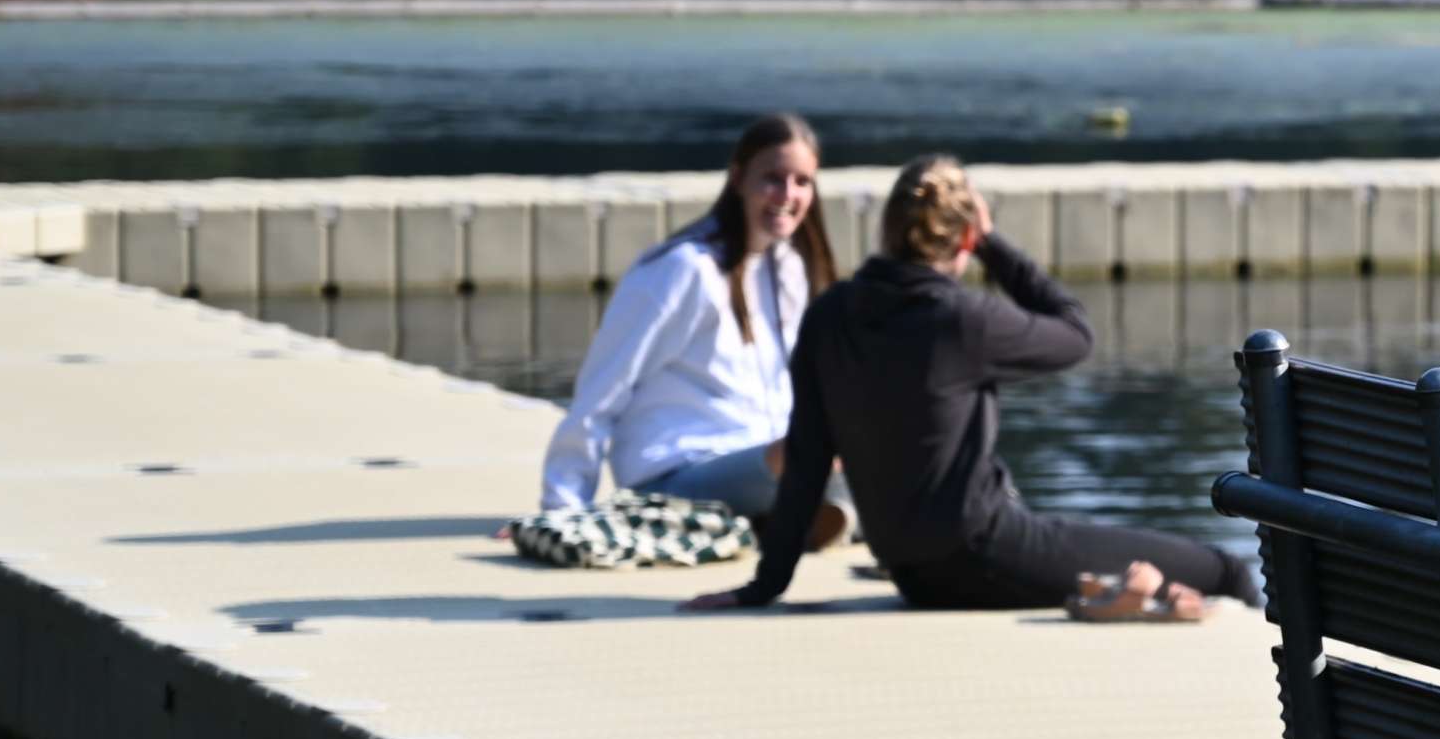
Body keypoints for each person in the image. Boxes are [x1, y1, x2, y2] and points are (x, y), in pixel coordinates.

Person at [698, 154, 1260, 619]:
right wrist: (994, 246)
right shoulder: (964, 319)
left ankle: (1122, 598)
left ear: (887, 230)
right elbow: (1076, 333)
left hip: (914, 575)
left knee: (1087, 548)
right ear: (964, 236)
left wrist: (764, 586)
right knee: (1226, 569)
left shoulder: (829, 316)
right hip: (987, 553)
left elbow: (807, 462)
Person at [533, 114, 846, 546]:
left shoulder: (789, 270)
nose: (787, 195)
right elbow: (601, 391)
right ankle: (807, 519)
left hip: (760, 467)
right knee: (803, 454)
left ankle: (788, 520)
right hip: (674, 477)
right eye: (772, 178)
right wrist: (562, 508)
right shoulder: (683, 270)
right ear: (737, 178)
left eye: (802, 182)